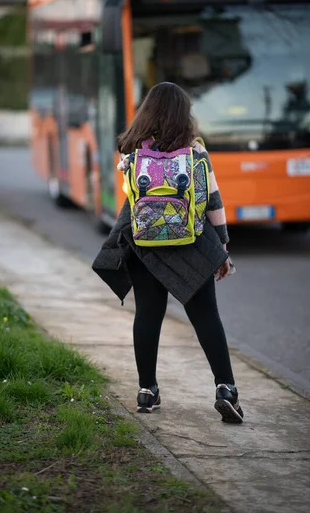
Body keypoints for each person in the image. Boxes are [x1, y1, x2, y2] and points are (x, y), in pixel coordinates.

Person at [92, 82, 243, 424]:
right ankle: (226, 389)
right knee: (206, 316)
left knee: (147, 314)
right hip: (190, 240)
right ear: (183, 113)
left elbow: (131, 197)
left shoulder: (130, 151)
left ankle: (147, 391)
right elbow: (213, 201)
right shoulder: (194, 152)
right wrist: (221, 247)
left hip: (145, 242)